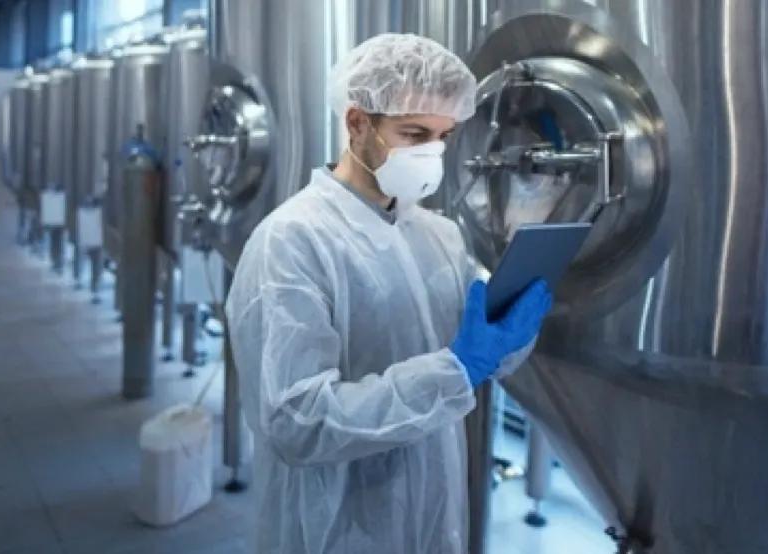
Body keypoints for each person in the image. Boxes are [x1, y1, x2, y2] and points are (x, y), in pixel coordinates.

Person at [224, 33, 554, 554]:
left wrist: (508, 334)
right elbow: (297, 421)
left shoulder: (439, 236)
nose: (431, 153)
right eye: (414, 132)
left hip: (434, 510)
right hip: (338, 523)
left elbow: (477, 353)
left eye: (442, 136)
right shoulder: (291, 242)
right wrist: (455, 371)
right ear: (357, 123)